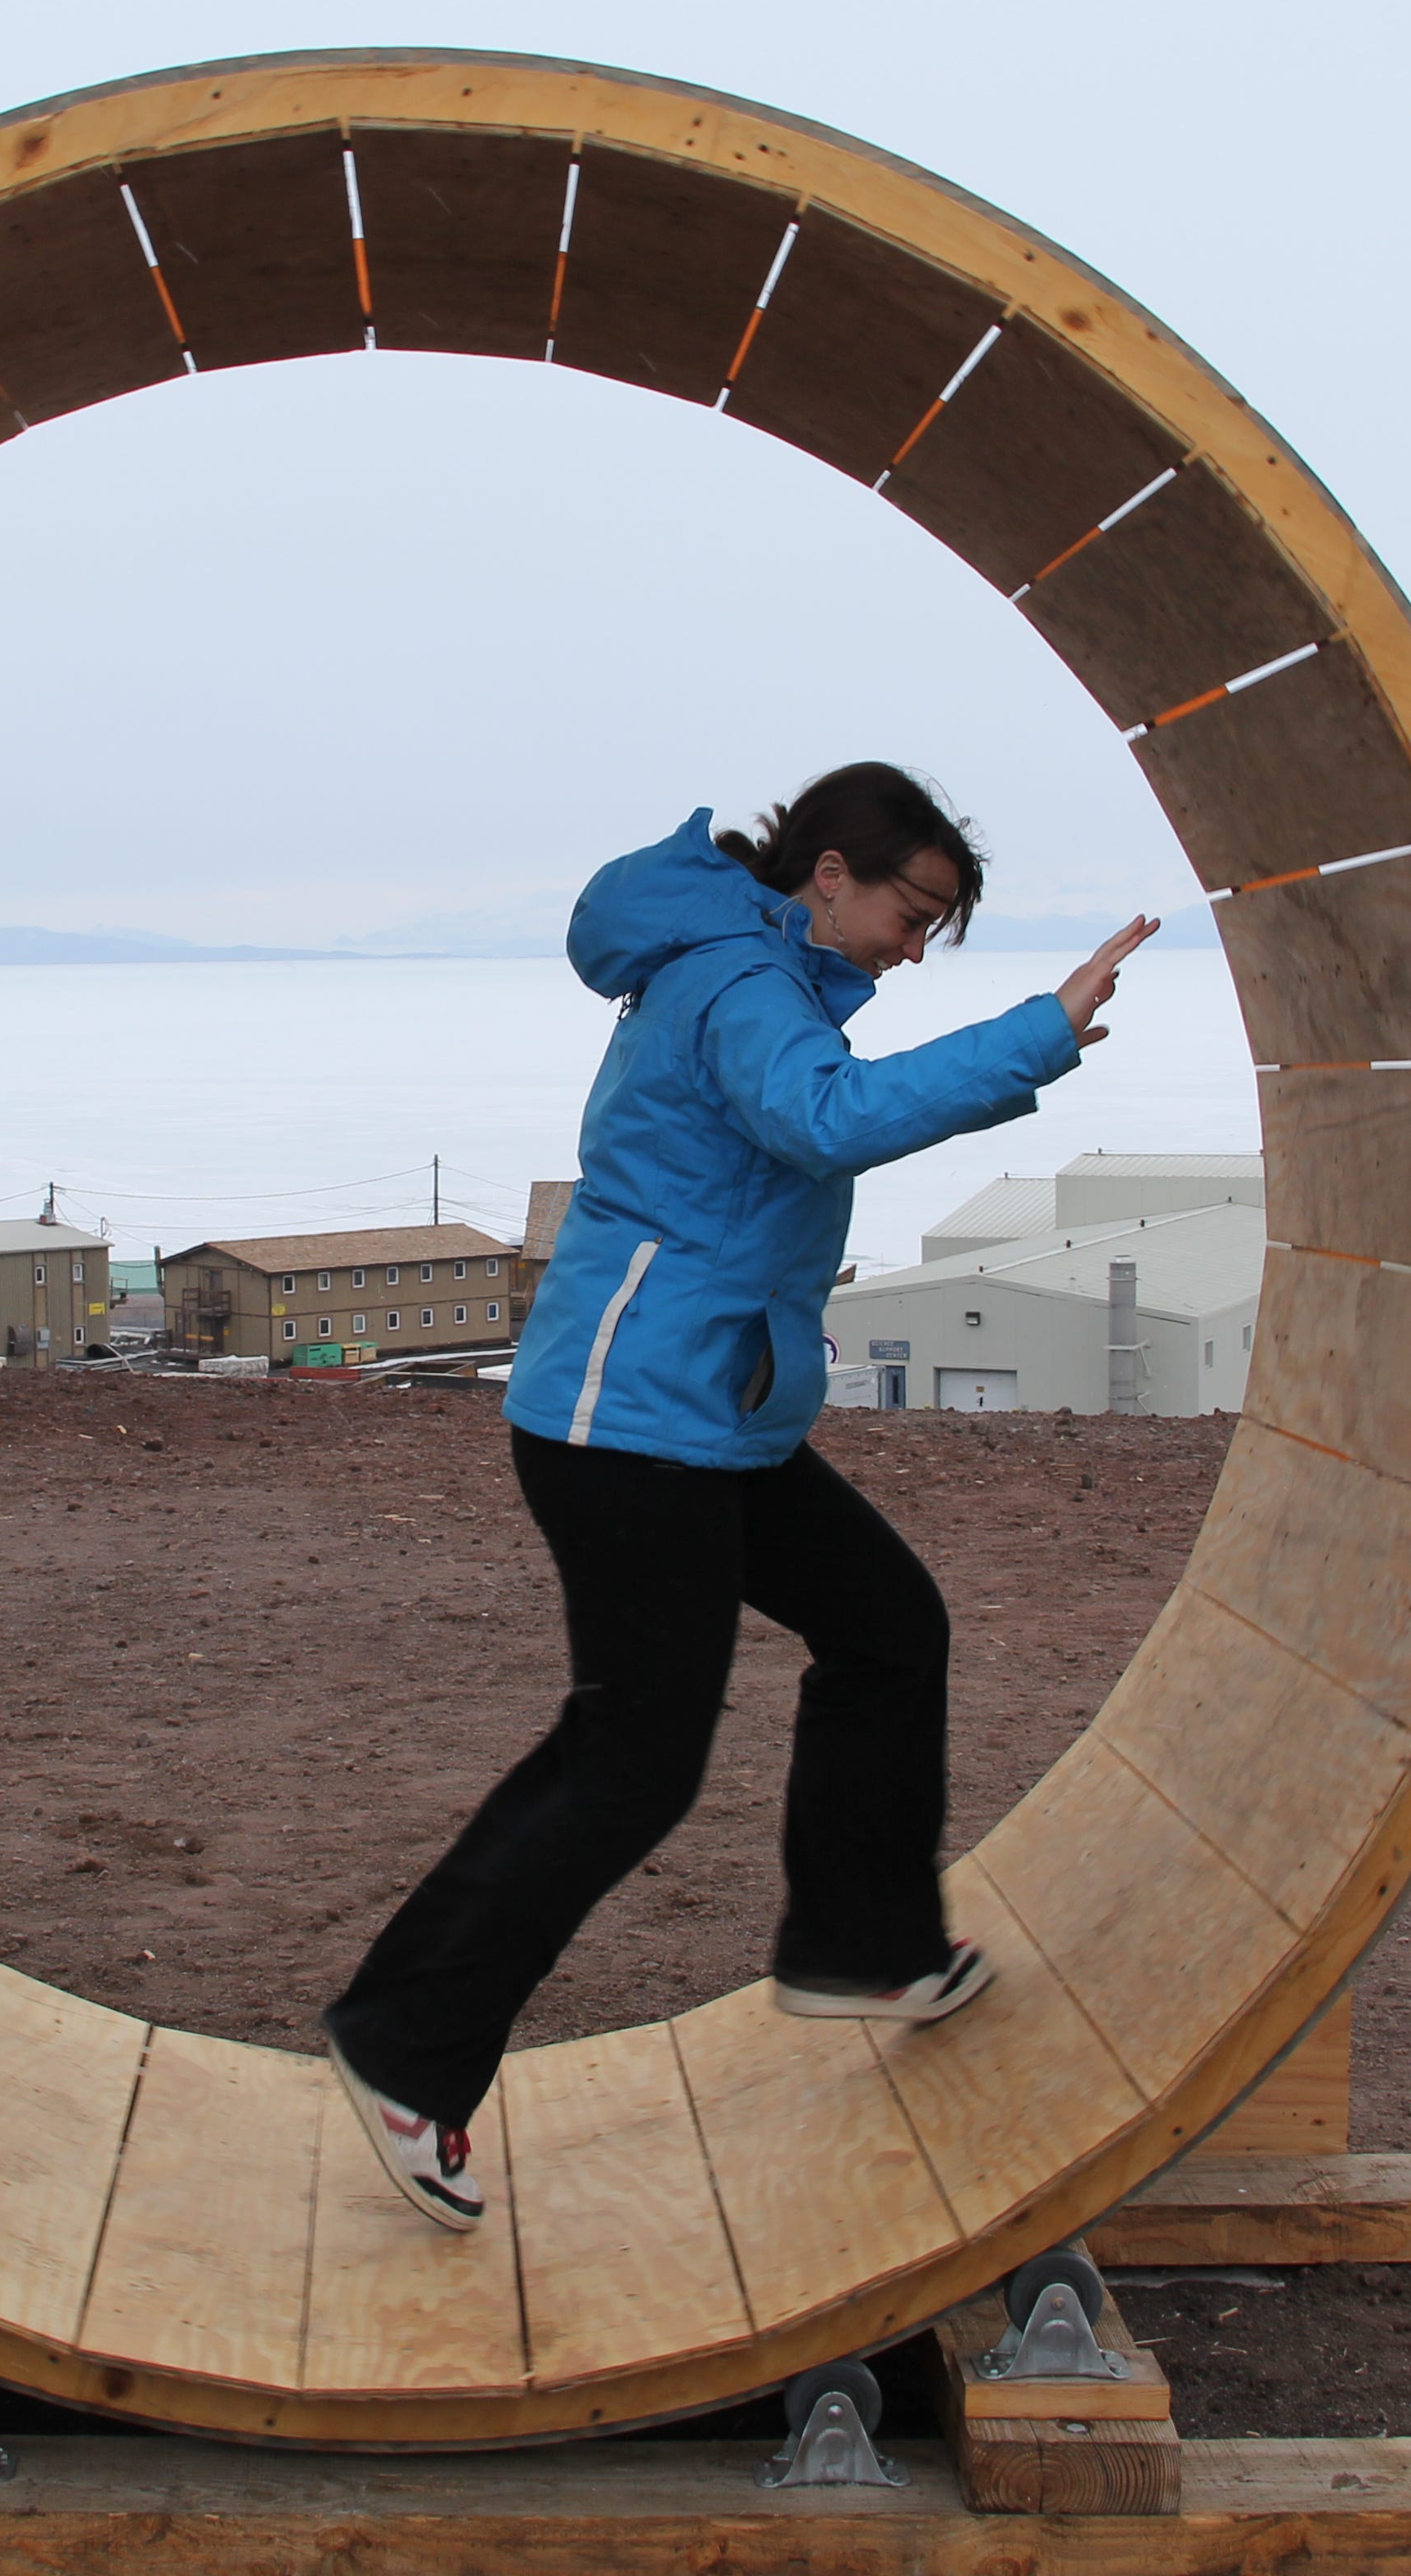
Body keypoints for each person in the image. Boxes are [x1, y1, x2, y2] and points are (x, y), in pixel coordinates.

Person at [322, 764, 1154, 2230]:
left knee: (886, 1627)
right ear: (826, 874)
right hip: (626, 1427)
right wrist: (1038, 1030)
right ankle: (406, 2046)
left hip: (706, 1417)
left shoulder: (757, 972)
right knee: (630, 1761)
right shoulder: (736, 985)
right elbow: (823, 1122)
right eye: (911, 913)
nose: (914, 948)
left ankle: (859, 1945)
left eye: (936, 929)